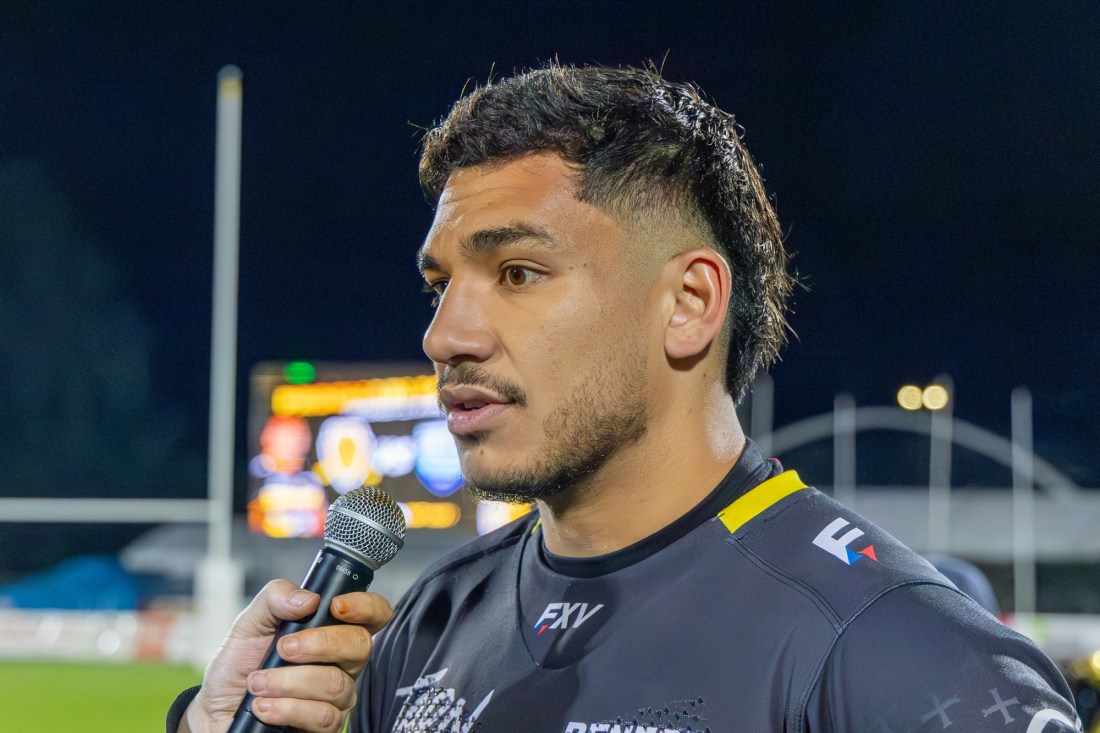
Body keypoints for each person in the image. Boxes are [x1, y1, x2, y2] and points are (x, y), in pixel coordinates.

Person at [170, 63, 1081, 733]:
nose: (445, 336)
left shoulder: (897, 655)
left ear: (688, 304)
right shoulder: (429, 626)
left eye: (518, 272)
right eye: (439, 286)